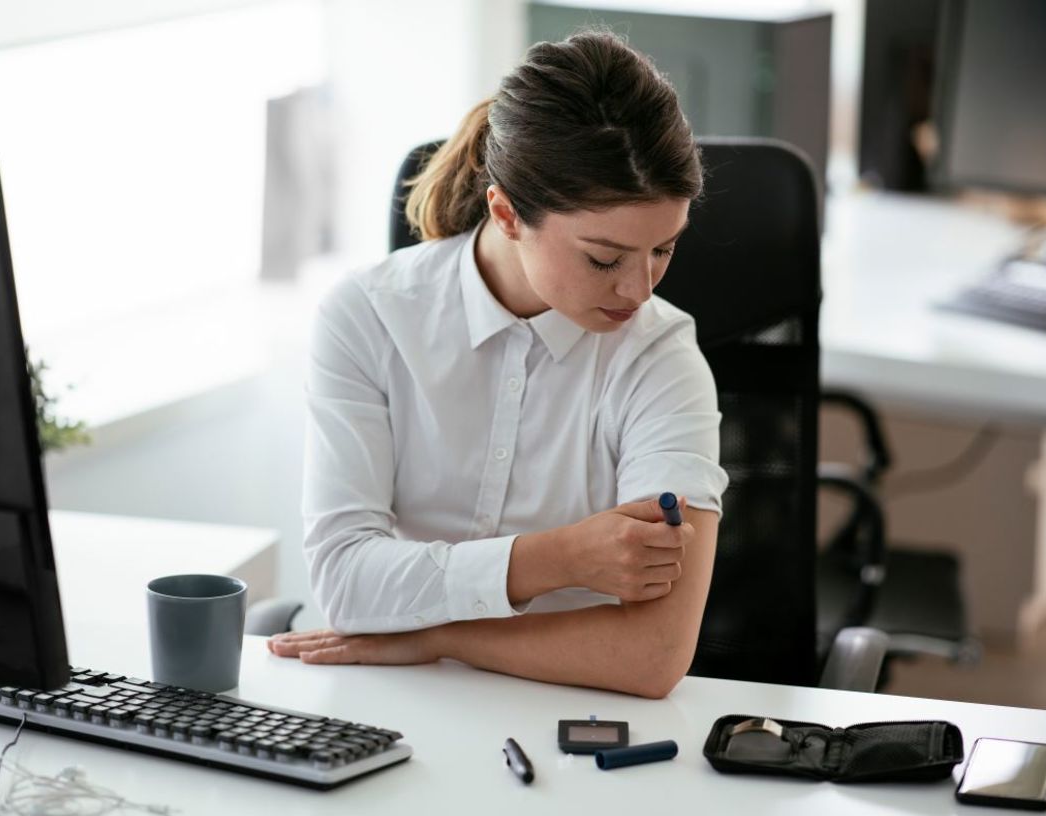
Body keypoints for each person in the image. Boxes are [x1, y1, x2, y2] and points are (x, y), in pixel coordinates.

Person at [267, 30, 728, 699]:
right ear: (507, 212)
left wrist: (437, 635)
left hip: (562, 713)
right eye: (605, 258)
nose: (639, 288)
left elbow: (654, 653)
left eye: (664, 249)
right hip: (383, 700)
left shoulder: (661, 360)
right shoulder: (368, 317)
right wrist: (560, 557)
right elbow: (344, 581)